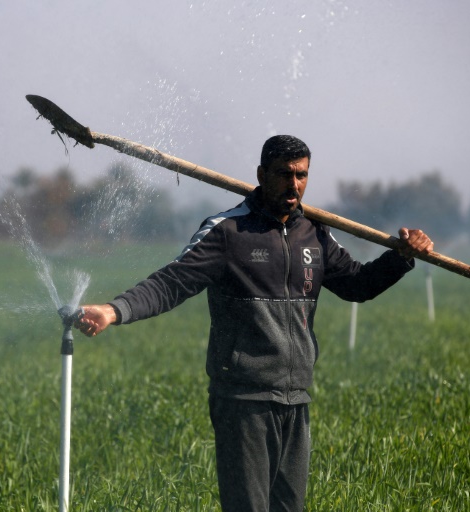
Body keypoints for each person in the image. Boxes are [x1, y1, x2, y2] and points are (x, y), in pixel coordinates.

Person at [74, 135, 434, 511]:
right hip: (243, 401)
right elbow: (172, 282)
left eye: (302, 175)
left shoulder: (315, 234)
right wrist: (114, 310)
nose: (294, 185)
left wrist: (401, 257)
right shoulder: (227, 232)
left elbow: (358, 285)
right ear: (261, 174)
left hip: (296, 398)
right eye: (283, 174)